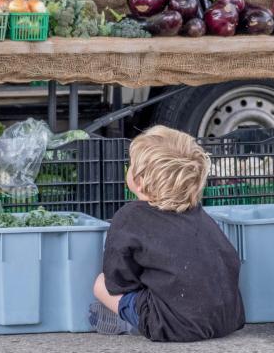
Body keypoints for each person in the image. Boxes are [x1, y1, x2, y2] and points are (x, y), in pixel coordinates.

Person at [89, 125, 245, 342]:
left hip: (174, 325)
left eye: (131, 164)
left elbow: (117, 282)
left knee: (100, 284)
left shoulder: (129, 217)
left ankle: (133, 323)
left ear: (141, 181)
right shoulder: (199, 214)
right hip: (227, 319)